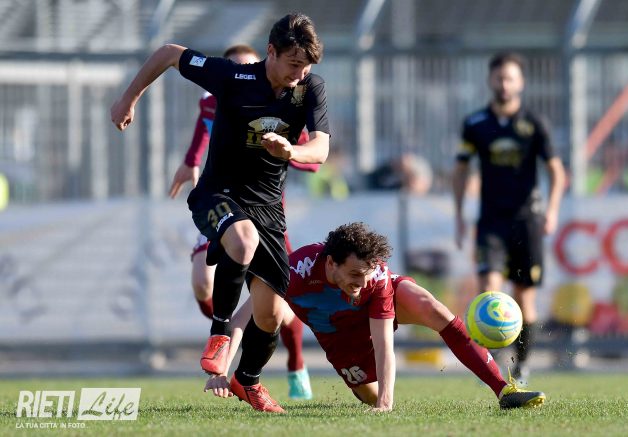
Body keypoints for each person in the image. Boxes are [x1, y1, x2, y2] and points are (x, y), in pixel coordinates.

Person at [111, 13, 330, 413]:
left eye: (307, 66)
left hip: (268, 207)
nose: (300, 74)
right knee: (242, 241)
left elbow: (321, 148)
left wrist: (292, 150)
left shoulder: (309, 88)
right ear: (271, 52)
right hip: (217, 194)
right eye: (294, 64)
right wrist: (129, 98)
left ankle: (248, 380)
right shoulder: (234, 76)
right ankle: (220, 334)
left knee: (272, 314)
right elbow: (169, 53)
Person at [241, 222, 543, 411]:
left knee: (432, 308)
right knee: (368, 395)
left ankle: (503, 390)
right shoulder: (296, 271)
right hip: (338, 337)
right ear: (331, 264)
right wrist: (223, 360)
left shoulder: (375, 280)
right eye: (354, 274)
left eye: (366, 273)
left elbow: (384, 344)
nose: (361, 282)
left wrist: (387, 403)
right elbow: (247, 313)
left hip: (374, 311)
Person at [167, 44, 316, 401]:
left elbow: (313, 157)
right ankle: (220, 342)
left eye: (248, 68)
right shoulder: (217, 96)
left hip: (266, 213)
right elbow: (203, 133)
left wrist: (285, 151)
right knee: (202, 282)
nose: (243, 75)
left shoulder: (287, 101)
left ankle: (292, 363)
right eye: (235, 69)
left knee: (275, 307)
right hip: (222, 202)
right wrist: (190, 162)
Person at [452, 52, 566, 384]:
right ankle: (493, 364)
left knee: (524, 297)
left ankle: (522, 365)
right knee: (489, 289)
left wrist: (552, 211)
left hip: (527, 221)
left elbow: (557, 172)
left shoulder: (535, 123)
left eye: (510, 78)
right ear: (491, 80)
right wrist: (459, 214)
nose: (504, 84)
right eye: (499, 78)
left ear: (521, 83)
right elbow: (460, 170)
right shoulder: (475, 124)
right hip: (491, 221)